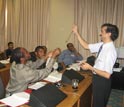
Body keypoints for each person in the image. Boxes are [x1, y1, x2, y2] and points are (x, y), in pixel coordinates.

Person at [72, 23, 119, 107]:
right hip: (97, 78)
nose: (100, 33)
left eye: (102, 31)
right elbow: (86, 46)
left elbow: (107, 74)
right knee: (96, 102)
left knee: (99, 104)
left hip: (103, 81)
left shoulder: (110, 51)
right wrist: (76, 33)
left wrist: (90, 68)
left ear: (109, 34)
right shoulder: (102, 45)